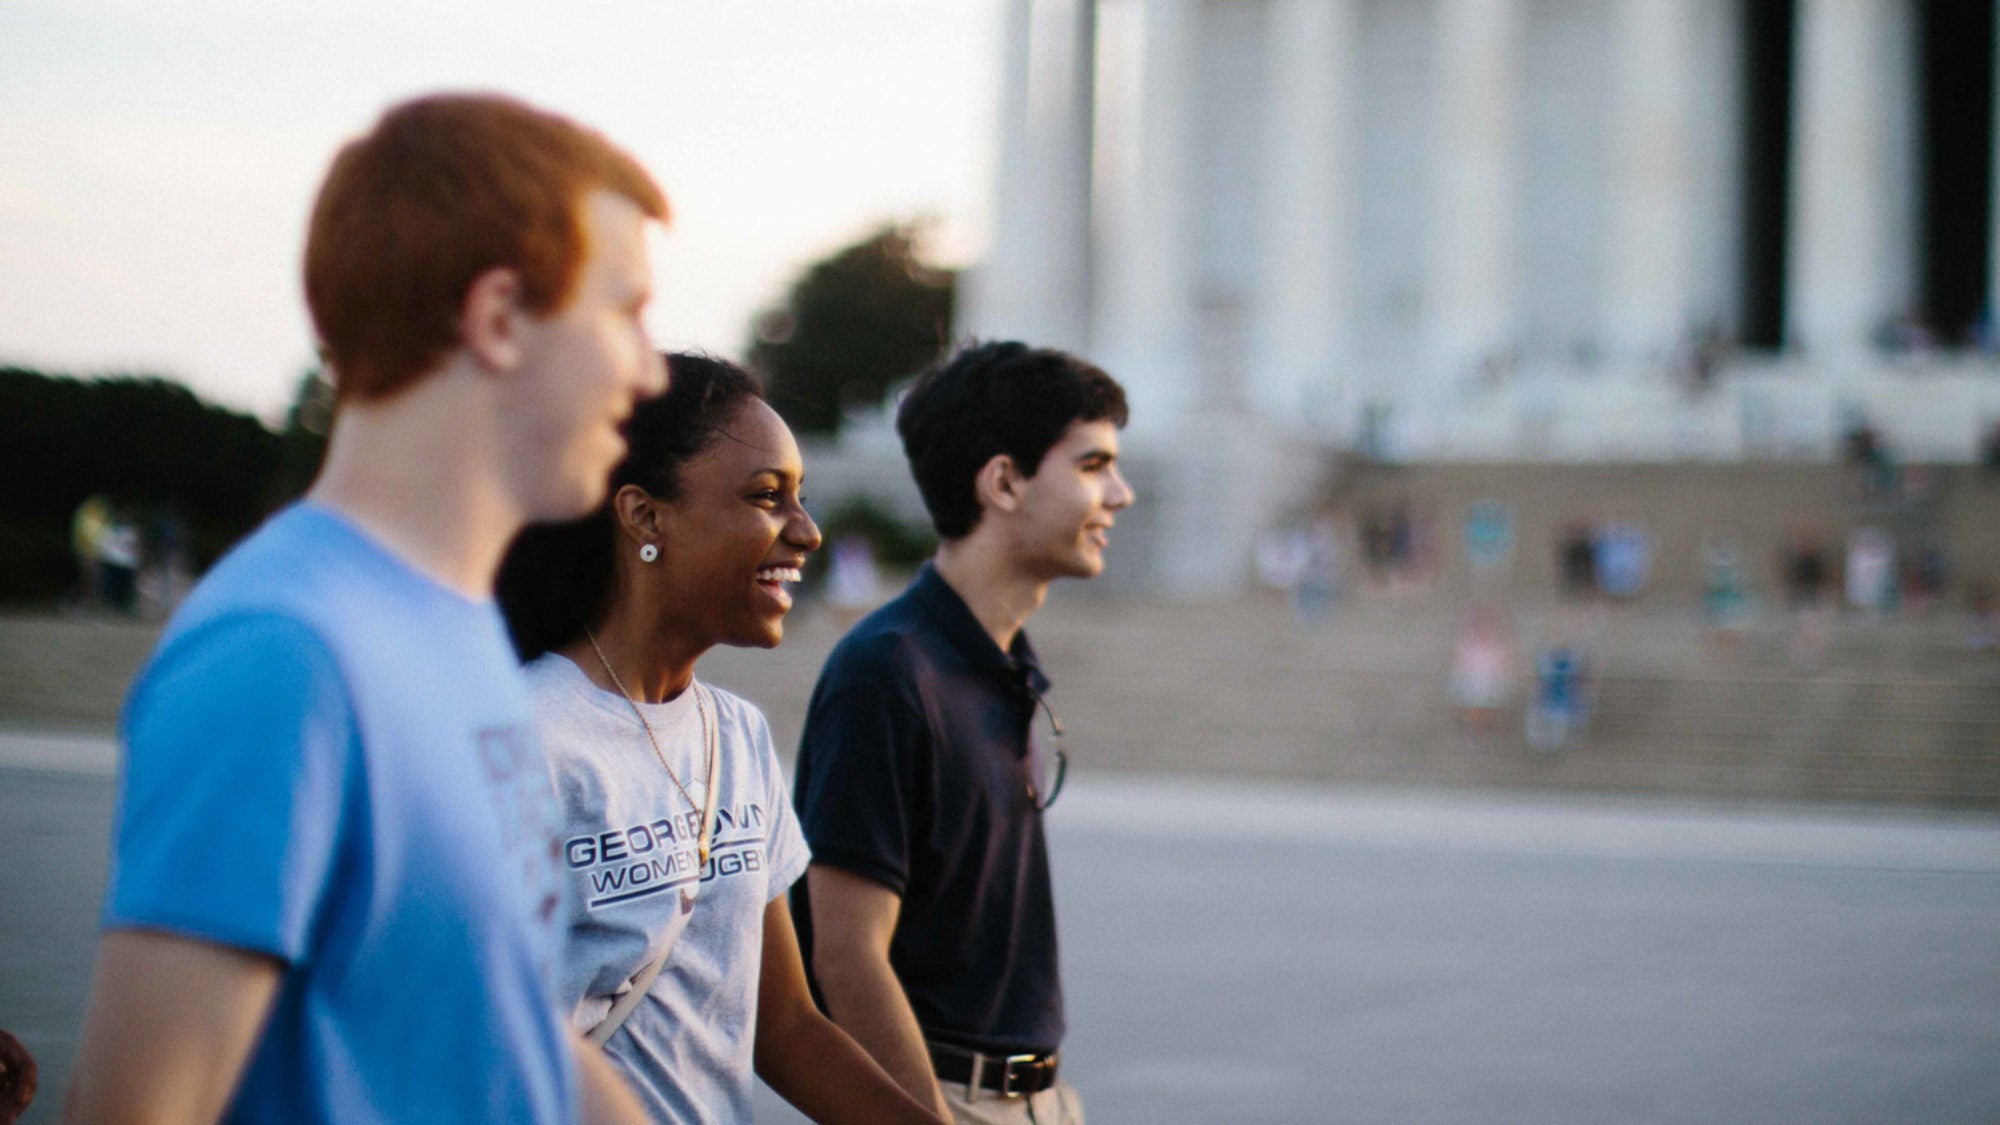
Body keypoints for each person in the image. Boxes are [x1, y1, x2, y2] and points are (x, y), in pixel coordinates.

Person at [62, 93, 669, 1124]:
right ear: (498, 317)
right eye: (625, 311)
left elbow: (503, 1026)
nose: (650, 369)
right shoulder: (283, 656)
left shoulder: (453, 626)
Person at [495, 355, 948, 1125]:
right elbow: (485, 1044)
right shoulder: (529, 740)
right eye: (767, 496)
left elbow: (787, 1027)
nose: (805, 532)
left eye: (800, 498)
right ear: (644, 516)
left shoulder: (735, 734)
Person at [792, 341, 1135, 1125]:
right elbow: (845, 957)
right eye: (1092, 465)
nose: (1121, 492)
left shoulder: (1000, 657)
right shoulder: (888, 671)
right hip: (942, 1099)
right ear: (1004, 481)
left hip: (1036, 1099)